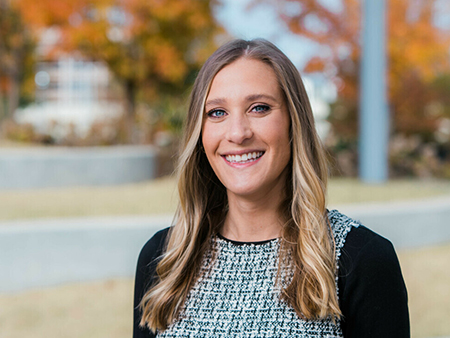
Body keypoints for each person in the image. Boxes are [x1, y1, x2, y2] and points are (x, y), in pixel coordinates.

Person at [133, 39, 410, 337]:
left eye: (259, 108)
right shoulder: (164, 259)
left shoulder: (362, 259)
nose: (238, 133)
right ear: (200, 133)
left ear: (294, 122)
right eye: (216, 112)